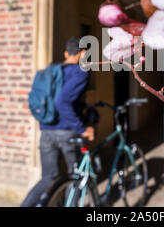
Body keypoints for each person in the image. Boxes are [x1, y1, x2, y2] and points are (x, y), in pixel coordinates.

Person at [21, 37, 95, 207]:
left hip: (46, 132)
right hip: (67, 132)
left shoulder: (52, 71)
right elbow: (62, 102)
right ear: (83, 53)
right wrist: (81, 128)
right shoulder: (79, 73)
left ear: (66, 53)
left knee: (48, 177)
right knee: (75, 176)